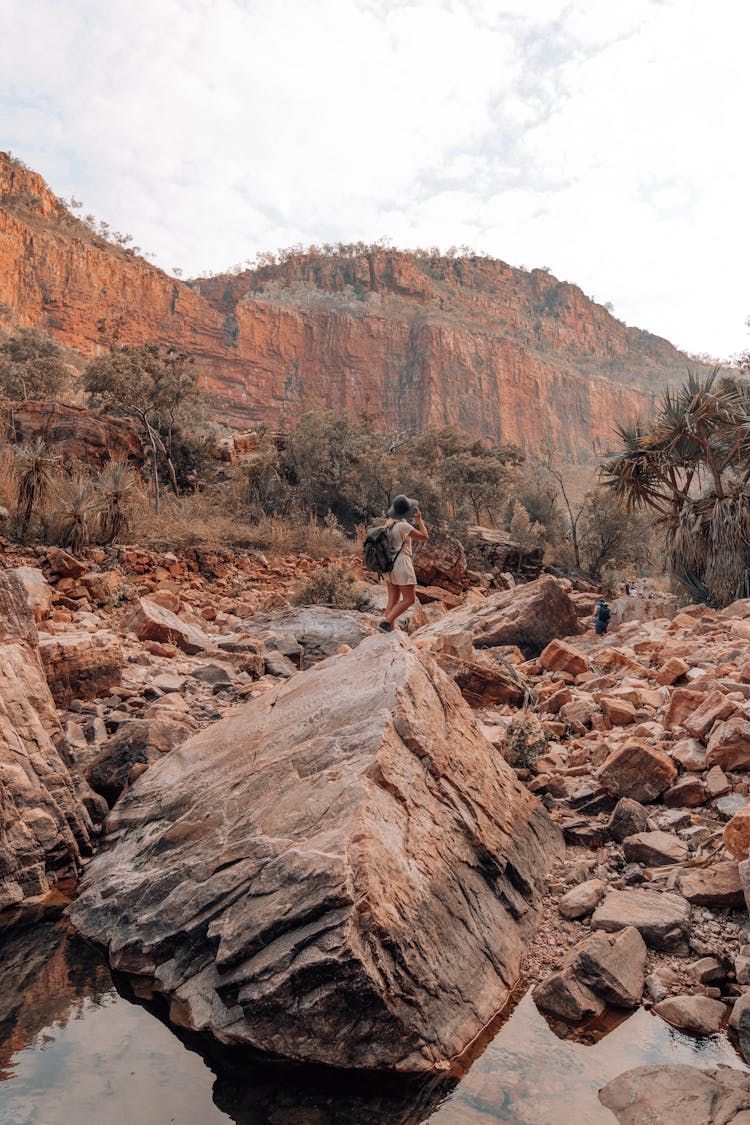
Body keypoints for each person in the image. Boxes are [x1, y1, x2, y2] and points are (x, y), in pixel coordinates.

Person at [379, 494, 429, 631]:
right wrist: (419, 520)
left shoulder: (388, 524)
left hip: (389, 565)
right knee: (410, 599)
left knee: (392, 600)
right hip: (402, 564)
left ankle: (389, 630)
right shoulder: (403, 526)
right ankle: (386, 623)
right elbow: (425, 537)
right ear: (406, 511)